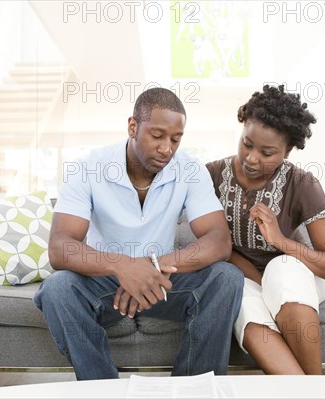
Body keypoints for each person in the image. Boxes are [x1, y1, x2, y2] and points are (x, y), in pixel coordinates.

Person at [34, 87, 244, 380]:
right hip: (104, 284)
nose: (167, 148)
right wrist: (123, 266)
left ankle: (193, 390)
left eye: (176, 139)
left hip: (164, 281)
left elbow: (219, 241)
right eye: (157, 136)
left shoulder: (190, 169)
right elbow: (61, 248)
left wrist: (151, 269)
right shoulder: (88, 168)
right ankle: (102, 390)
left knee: (226, 278)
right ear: (133, 126)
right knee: (56, 289)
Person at [206, 85, 325, 375]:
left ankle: (315, 389)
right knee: (242, 302)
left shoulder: (302, 184)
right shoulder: (211, 176)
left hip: (301, 273)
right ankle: (312, 395)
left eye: (267, 152)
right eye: (247, 144)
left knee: (282, 270)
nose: (251, 158)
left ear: (287, 151)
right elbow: (217, 247)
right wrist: (260, 285)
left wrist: (280, 241)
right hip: (245, 276)